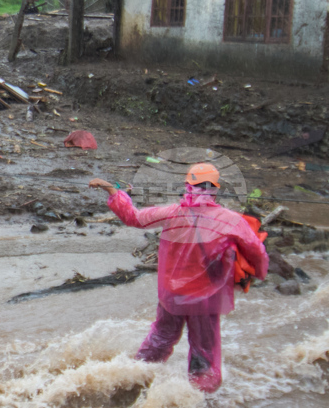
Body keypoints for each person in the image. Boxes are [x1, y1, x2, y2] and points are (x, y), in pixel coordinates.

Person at [88, 164, 268, 392]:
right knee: (204, 351)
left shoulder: (172, 213)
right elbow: (256, 251)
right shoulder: (230, 220)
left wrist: (112, 191)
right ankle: (199, 399)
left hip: (171, 297)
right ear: (215, 189)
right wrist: (260, 273)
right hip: (205, 300)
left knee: (160, 340)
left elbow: (134, 217)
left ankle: (133, 382)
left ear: (188, 186)